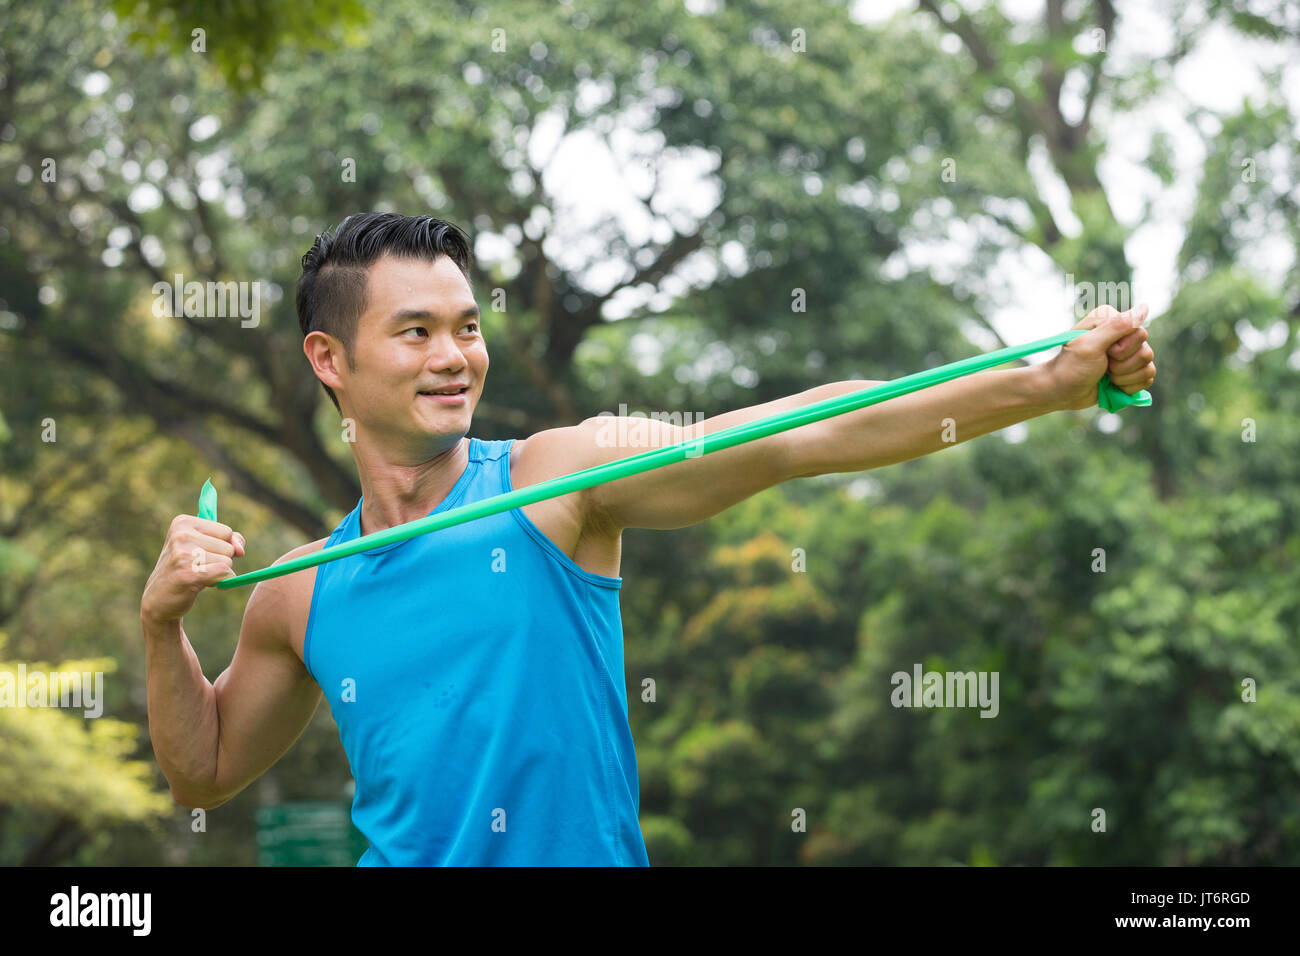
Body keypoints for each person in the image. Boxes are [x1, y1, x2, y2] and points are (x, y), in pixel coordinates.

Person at [140, 212, 1157, 866]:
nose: (455, 356)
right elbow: (206, 768)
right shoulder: (301, 590)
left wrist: (1044, 384)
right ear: (329, 357)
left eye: (468, 326)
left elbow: (800, 431)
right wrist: (162, 624)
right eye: (416, 331)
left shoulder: (554, 479)